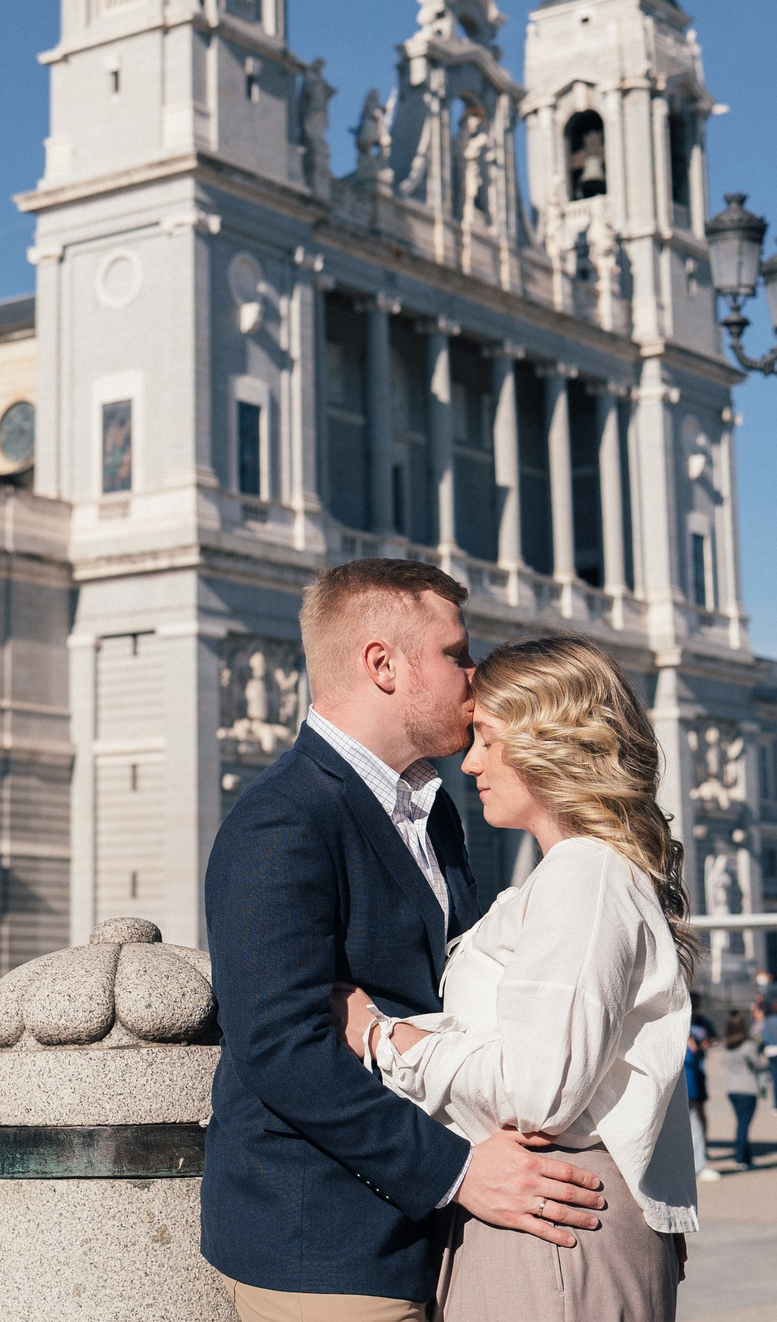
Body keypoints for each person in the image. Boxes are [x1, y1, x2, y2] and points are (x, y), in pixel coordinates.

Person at [204, 560, 610, 1322]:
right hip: (326, 1244)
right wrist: (458, 1171)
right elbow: (280, 1049)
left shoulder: (435, 811)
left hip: (430, 1227)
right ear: (382, 664)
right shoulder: (281, 820)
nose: (475, 672)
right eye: (456, 652)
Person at [338, 634, 697, 1322]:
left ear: (550, 739)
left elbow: (538, 1091)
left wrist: (385, 1038)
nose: (470, 762)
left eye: (488, 739)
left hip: (555, 1229)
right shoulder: (588, 873)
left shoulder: (583, 875)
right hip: (558, 1215)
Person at [716, 1013, 767, 1170]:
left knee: (741, 1123)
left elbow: (724, 1062)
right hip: (747, 1088)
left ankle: (746, 1157)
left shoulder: (725, 1046)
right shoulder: (748, 1046)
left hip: (732, 1088)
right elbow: (760, 1064)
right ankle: (740, 1158)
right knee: (743, 1125)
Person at [685, 1003, 717, 1181]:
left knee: (695, 1125)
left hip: (690, 1087)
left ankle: (699, 1163)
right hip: (686, 1088)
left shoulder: (700, 1026)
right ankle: (699, 1165)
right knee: (695, 1127)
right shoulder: (685, 1043)